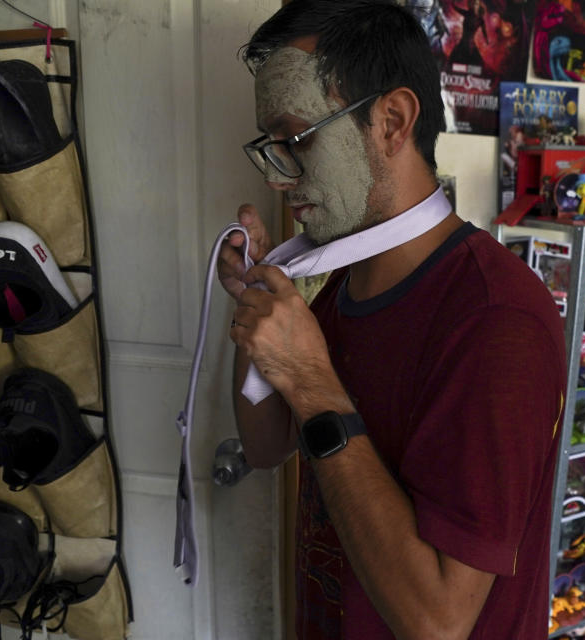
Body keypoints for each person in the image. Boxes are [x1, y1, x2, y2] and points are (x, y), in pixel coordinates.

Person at [218, 1, 566, 638]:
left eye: (295, 141)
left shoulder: (497, 318)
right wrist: (259, 309)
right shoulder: (339, 284)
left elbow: (437, 622)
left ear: (392, 122)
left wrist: (313, 382)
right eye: (269, 148)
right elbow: (267, 447)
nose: (280, 176)